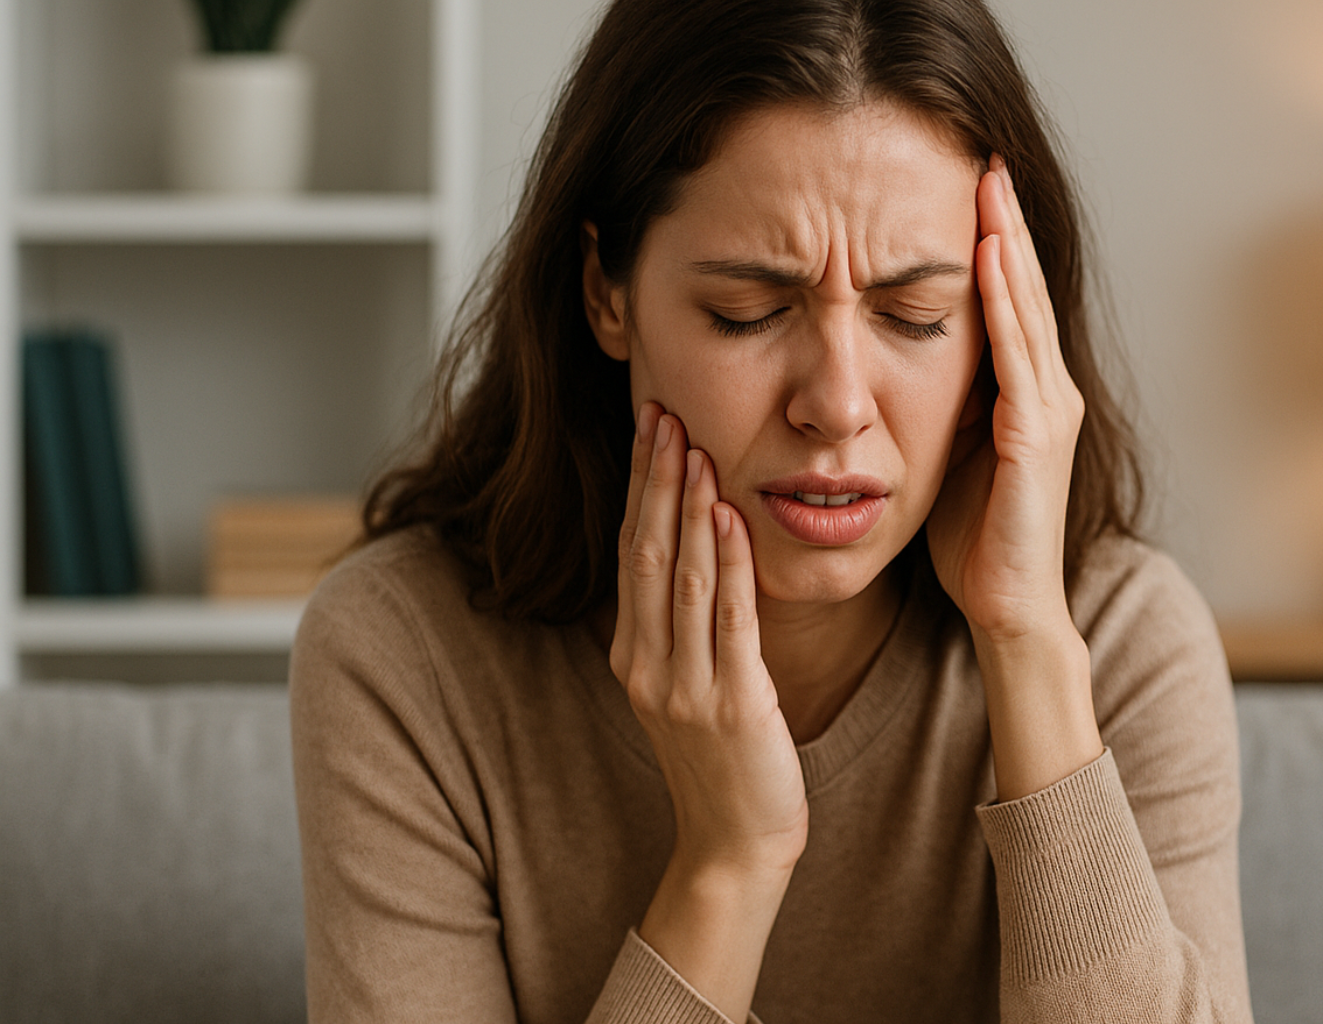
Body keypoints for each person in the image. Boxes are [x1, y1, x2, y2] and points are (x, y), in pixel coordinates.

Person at [289, 0, 1251, 1020]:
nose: (835, 404)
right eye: (745, 312)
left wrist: (1029, 656)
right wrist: (726, 863)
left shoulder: (1125, 641)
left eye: (914, 316)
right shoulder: (406, 655)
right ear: (606, 294)